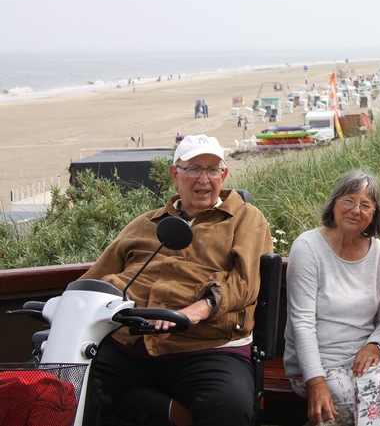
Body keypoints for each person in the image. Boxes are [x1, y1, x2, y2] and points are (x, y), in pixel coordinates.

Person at [81, 134, 273, 426]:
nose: (204, 179)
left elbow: (245, 283)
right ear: (175, 175)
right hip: (127, 342)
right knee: (60, 388)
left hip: (205, 347)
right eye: (194, 169)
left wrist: (197, 310)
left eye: (212, 170)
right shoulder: (145, 223)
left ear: (224, 175)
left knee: (230, 407)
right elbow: (94, 279)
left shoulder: (245, 219)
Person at [284, 170, 380, 426]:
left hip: (362, 358)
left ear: (374, 214)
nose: (356, 210)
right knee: (343, 400)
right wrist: (316, 380)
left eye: (365, 205)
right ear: (334, 203)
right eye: (348, 200)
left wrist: (376, 345)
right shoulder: (308, 247)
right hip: (316, 362)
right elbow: (302, 322)